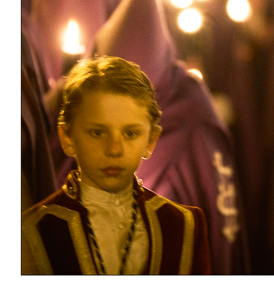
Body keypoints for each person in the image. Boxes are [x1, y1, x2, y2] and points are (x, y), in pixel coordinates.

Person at [22, 55, 210, 274]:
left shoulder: (183, 226)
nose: (114, 149)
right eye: (98, 132)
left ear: (150, 141)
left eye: (130, 133)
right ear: (67, 138)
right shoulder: (33, 231)